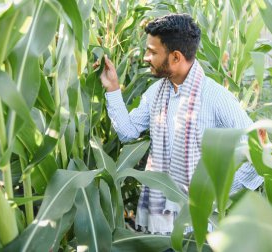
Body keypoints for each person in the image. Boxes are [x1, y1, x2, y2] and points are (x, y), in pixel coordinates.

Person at [97, 13, 263, 234]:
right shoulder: (155, 93)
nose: (146, 57)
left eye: (152, 51)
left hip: (200, 227)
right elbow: (127, 132)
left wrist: (216, 194)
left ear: (175, 57)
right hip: (159, 225)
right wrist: (112, 88)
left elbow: (258, 155)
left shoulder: (215, 97)